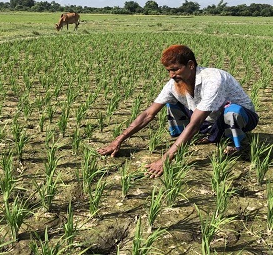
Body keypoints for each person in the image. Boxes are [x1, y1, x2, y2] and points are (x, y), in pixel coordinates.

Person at [97, 44, 259, 178]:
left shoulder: (213, 79)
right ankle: (187, 139)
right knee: (171, 103)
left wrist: (165, 159)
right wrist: (119, 140)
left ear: (190, 65)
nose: (171, 75)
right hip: (210, 119)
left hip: (240, 117)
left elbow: (196, 122)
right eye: (168, 70)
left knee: (232, 111)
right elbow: (148, 114)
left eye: (175, 69)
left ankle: (236, 146)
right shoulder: (175, 84)